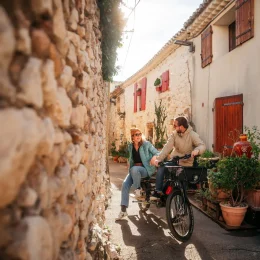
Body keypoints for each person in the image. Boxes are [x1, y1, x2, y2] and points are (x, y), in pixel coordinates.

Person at [150, 116, 206, 200]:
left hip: (186, 163)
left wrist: (197, 150)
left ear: (182, 126)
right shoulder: (174, 134)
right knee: (162, 167)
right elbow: (167, 147)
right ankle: (158, 191)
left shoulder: (192, 134)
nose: (174, 127)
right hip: (175, 161)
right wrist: (159, 159)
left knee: (183, 189)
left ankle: (183, 205)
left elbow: (202, 145)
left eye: (175, 126)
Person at [116, 128, 159, 220]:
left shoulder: (146, 144)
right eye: (136, 134)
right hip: (134, 170)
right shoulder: (130, 146)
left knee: (134, 169)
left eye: (139, 134)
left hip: (145, 169)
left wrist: (154, 157)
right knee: (125, 185)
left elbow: (157, 152)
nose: (138, 136)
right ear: (132, 137)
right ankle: (123, 211)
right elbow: (132, 158)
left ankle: (138, 190)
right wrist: (129, 162)